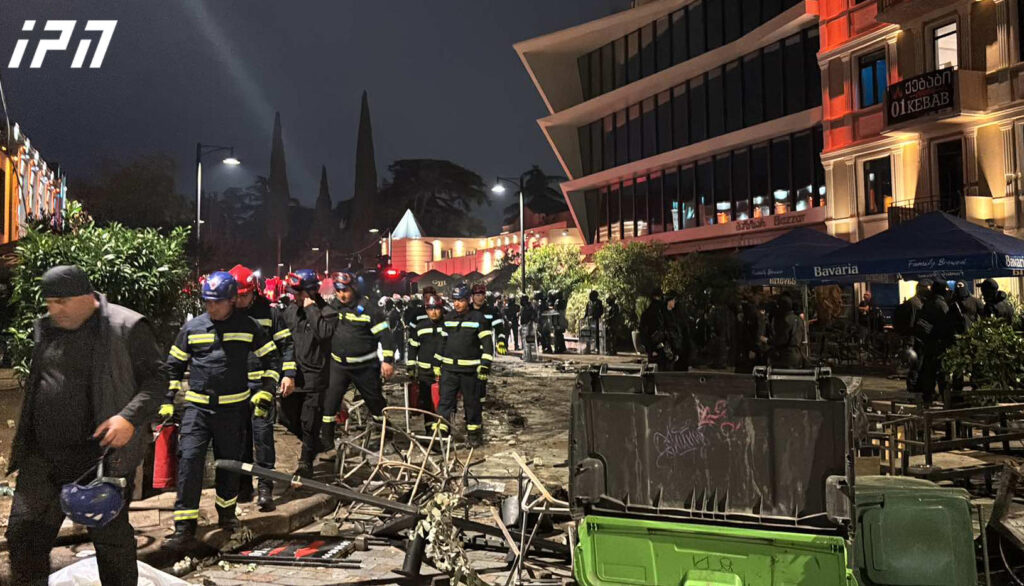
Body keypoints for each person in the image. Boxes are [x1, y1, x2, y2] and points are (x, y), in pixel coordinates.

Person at [7, 266, 164, 586]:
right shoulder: (47, 328)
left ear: (86, 296)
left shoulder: (126, 326)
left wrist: (128, 417)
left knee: (112, 543)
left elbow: (158, 381)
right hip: (43, 458)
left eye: (62, 301)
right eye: (50, 302)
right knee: (24, 536)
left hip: (99, 459)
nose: (55, 309)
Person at [162, 272, 281, 547]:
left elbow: (272, 361)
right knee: (189, 462)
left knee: (228, 466)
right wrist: (167, 400)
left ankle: (227, 516)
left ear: (232, 300)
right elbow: (173, 367)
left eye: (217, 302)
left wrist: (266, 391)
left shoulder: (249, 327)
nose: (211, 307)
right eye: (207, 301)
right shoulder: (192, 328)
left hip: (233, 411)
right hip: (197, 410)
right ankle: (184, 527)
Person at [229, 264, 294, 512]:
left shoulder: (270, 313)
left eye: (244, 296)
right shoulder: (227, 313)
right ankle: (243, 486)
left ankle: (265, 487)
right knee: (239, 439)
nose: (239, 301)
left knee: (263, 437)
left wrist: (288, 375)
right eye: (236, 296)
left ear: (254, 292)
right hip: (235, 388)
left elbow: (286, 345)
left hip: (262, 386)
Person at [319, 270, 396, 447]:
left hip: (365, 367)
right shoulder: (334, 307)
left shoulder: (369, 309)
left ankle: (385, 434)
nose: (341, 295)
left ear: (353, 288)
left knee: (375, 403)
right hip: (339, 366)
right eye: (338, 291)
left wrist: (388, 360)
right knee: (329, 404)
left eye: (345, 291)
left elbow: (385, 336)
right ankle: (326, 443)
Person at [277, 270, 333, 477]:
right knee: (286, 417)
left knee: (310, 422)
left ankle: (305, 463)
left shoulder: (327, 312)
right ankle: (316, 445)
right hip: (294, 375)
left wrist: (311, 309)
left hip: (315, 376)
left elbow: (324, 334)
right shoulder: (290, 311)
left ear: (311, 291)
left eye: (299, 293)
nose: (296, 297)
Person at [434, 283, 494, 446]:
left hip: (470, 371)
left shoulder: (478, 318)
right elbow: (442, 343)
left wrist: (485, 364)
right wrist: (437, 364)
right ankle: (441, 437)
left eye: (460, 300)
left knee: (472, 404)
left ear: (468, 300)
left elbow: (487, 343)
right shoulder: (448, 318)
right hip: (449, 371)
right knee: (444, 404)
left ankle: (474, 436)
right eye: (454, 300)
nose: (457, 304)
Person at [406, 293, 446, 422]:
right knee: (426, 402)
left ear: (441, 309)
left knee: (444, 402)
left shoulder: (447, 325)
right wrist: (411, 366)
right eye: (430, 309)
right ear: (426, 310)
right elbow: (413, 346)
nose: (433, 312)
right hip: (425, 372)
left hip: (444, 371)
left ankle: (443, 428)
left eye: (436, 308)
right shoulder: (420, 327)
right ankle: (429, 428)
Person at [639, 289, 679, 371]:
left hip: (653, 348)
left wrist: (649, 348)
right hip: (664, 348)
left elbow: (642, 332)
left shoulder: (646, 313)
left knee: (654, 372)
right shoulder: (663, 312)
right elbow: (670, 330)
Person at [769, 296, 805, 368]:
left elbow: (782, 339)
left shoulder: (785, 320)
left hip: (786, 356)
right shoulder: (799, 319)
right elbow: (802, 338)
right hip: (798, 354)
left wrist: (769, 341)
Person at [735, 298, 766, 374]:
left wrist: (754, 348)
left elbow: (758, 333)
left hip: (752, 346)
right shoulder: (752, 315)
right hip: (751, 345)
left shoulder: (753, 316)